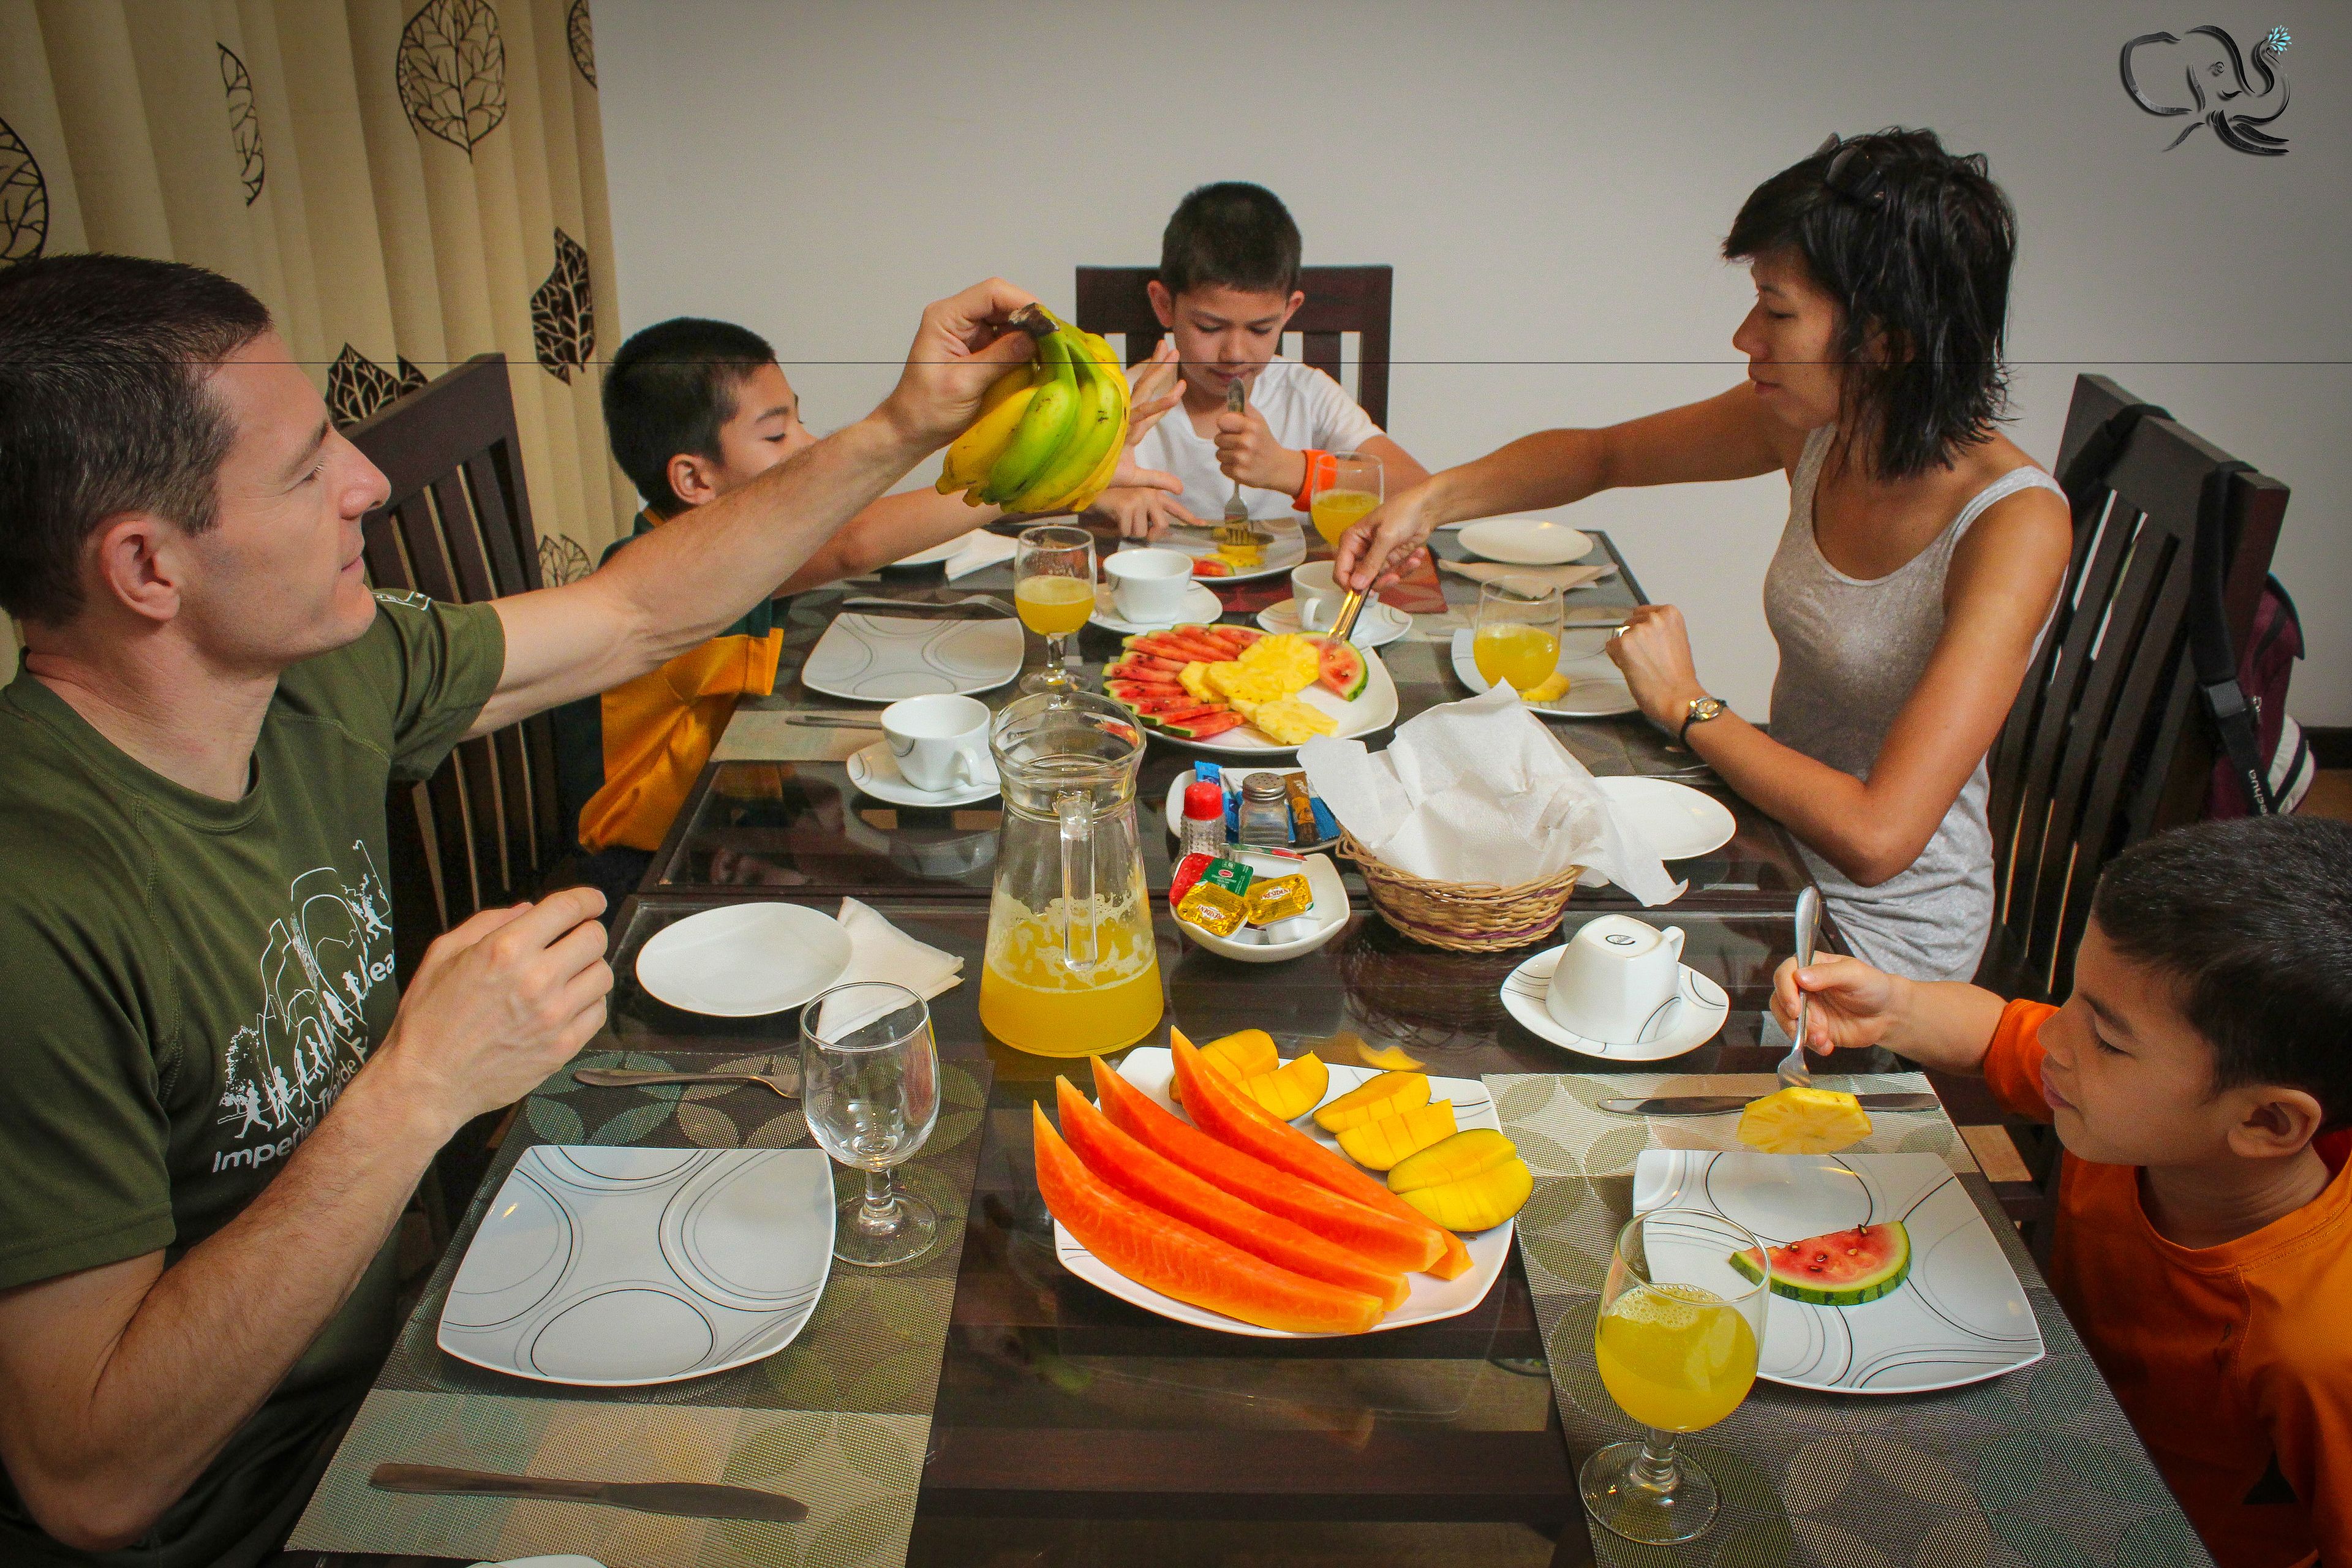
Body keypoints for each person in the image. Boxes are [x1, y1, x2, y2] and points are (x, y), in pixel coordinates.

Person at [0, 253, 1046, 1566]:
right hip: (254, 1508)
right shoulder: (36, 908)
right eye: (305, 466)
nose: (366, 482)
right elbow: (94, 1479)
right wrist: (416, 1086)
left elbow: (634, 612)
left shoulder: (316, 672)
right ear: (147, 566)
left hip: (401, 1336)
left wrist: (903, 425)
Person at [1340, 130, 2073, 981]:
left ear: (1889, 337)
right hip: (1769, 843)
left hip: (1874, 943)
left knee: (1498, 965)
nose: (1744, 335)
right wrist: (1430, 502)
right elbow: (1602, 455)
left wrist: (1689, 704)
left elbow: (1879, 840)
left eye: (1779, 310)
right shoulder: (1818, 424)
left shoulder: (2010, 524)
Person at [1773, 815, 2352, 1568]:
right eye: (2074, 999)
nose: (2055, 1037)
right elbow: (1995, 1033)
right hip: (2037, 1414)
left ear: (2268, 1119)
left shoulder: (2319, 1344)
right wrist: (1897, 1006)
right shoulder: (2140, 1112)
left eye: (2108, 1038)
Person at [554, 317, 1182, 900]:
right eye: (776, 434)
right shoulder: (671, 574)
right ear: (694, 482)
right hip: (645, 867)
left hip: (735, 810)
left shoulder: (724, 546)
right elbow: (851, 542)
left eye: (799, 420)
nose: (808, 443)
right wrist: (1034, 470)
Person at [1094, 181, 1431, 539]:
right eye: (1209, 327)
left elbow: (1419, 490)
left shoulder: (1305, 394)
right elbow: (1029, 495)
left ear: (1289, 312)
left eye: (1260, 329)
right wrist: (1097, 491)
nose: (1235, 354)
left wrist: (1288, 469)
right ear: (1164, 305)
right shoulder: (1121, 400)